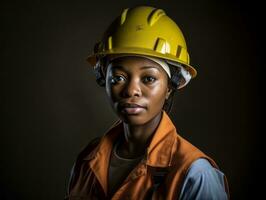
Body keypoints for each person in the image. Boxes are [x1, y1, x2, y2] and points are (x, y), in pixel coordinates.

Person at [65, 5, 230, 200]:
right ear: (104, 78)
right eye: (118, 77)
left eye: (148, 79)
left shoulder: (194, 174)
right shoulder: (87, 161)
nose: (130, 90)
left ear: (170, 87)